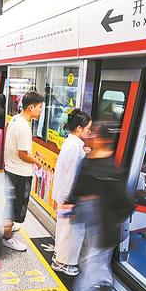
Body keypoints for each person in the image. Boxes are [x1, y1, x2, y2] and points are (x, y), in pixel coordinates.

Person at [60, 123, 134, 291]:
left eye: (93, 134)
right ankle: (105, 279)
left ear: (103, 140)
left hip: (105, 222)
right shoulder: (90, 158)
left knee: (90, 261)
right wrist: (70, 201)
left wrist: (116, 221)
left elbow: (125, 202)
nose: (89, 136)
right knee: (94, 256)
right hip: (92, 217)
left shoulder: (110, 169)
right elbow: (81, 183)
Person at [51, 109, 92, 276]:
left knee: (64, 230)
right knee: (71, 233)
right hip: (70, 196)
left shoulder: (72, 144)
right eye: (88, 128)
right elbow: (71, 175)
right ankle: (65, 263)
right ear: (79, 128)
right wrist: (70, 199)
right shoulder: (75, 148)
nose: (90, 131)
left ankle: (58, 258)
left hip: (65, 195)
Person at [2, 91, 44, 252]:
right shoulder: (24, 128)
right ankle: (7, 238)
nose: (41, 110)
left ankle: (9, 226)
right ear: (31, 107)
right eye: (39, 107)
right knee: (14, 208)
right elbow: (23, 154)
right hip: (19, 174)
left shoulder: (15, 119)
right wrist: (37, 162)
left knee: (10, 203)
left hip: (10, 170)